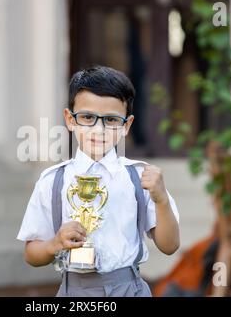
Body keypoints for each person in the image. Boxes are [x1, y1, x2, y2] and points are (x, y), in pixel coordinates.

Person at [17, 66, 180, 297]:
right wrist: (55, 243)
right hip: (75, 291)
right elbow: (31, 254)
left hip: (129, 289)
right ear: (69, 119)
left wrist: (161, 200)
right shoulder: (53, 181)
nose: (98, 129)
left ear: (127, 125)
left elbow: (170, 245)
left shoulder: (139, 177)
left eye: (111, 120)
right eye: (87, 117)